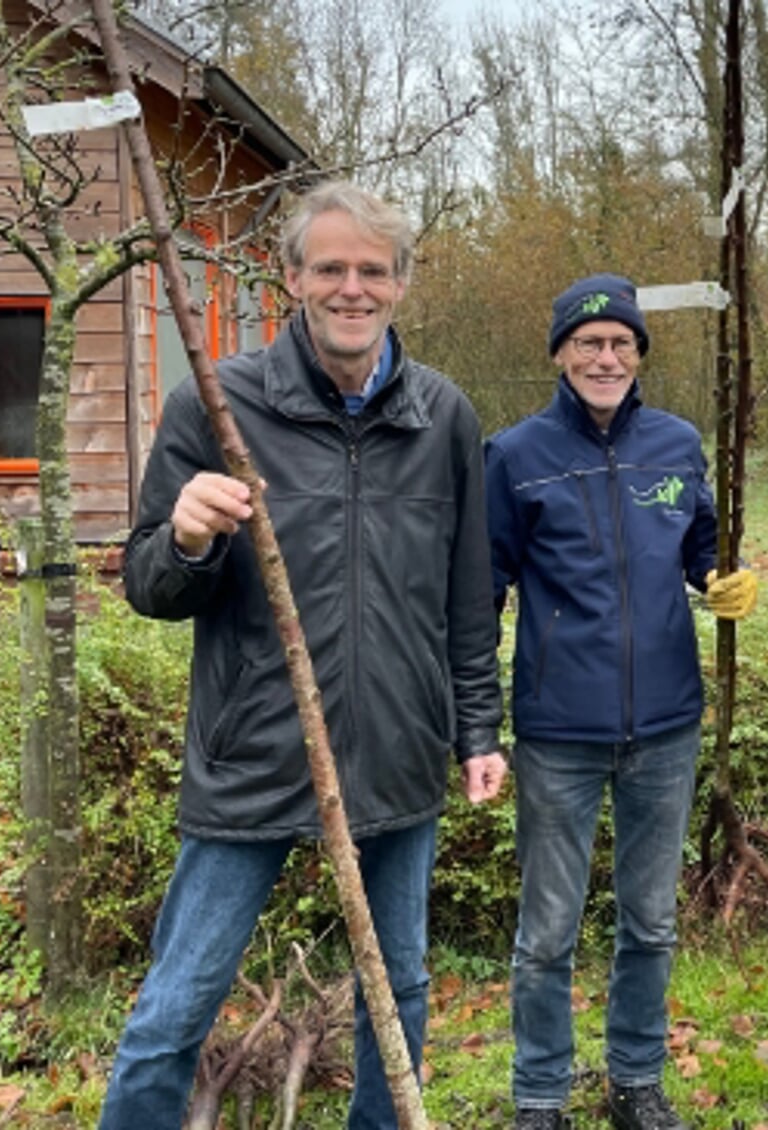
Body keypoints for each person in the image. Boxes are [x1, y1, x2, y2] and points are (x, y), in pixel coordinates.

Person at [100, 182, 508, 1130]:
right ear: (292, 278)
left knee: (395, 995)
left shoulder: (442, 416)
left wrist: (478, 729)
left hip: (402, 750)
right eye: (331, 268)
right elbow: (148, 585)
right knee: (176, 1007)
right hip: (255, 753)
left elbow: (466, 595)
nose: (351, 288)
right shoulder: (219, 403)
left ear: (402, 283)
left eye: (373, 270)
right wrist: (189, 538)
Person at [487, 274, 758, 1130]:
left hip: (667, 727)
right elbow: (482, 588)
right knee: (548, 931)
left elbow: (702, 545)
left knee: (649, 921)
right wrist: (470, 717)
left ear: (640, 353)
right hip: (558, 732)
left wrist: (720, 577)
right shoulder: (515, 456)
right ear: (562, 352)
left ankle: (635, 1079)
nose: (605, 357)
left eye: (621, 344)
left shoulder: (677, 445)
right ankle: (539, 1093)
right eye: (588, 342)